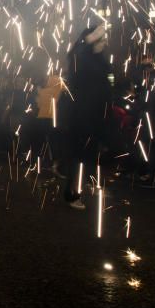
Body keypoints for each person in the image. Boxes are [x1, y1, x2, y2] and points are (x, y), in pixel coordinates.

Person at [58, 24, 111, 210]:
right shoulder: (82, 58)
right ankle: (72, 194)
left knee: (90, 154)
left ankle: (89, 183)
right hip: (80, 117)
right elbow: (74, 55)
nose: (105, 42)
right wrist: (88, 38)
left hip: (95, 116)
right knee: (78, 157)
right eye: (101, 39)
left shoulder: (99, 60)